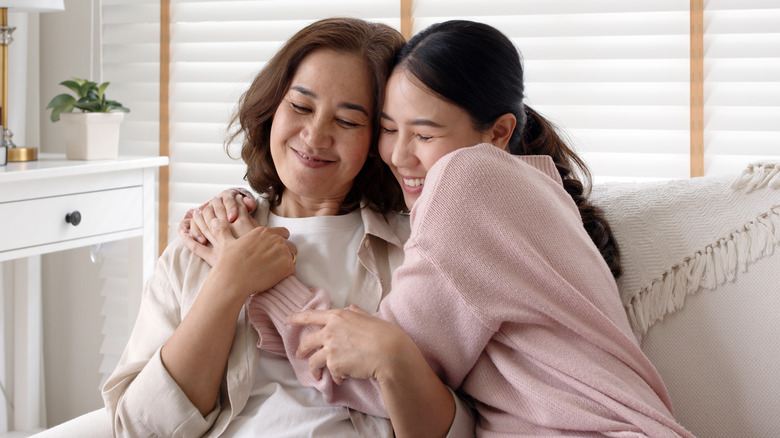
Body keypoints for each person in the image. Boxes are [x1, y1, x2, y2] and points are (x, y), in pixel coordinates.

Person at [187, 20, 695, 436]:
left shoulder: (466, 180)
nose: (399, 155)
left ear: (498, 133)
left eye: (424, 134)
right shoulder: (528, 188)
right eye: (387, 129)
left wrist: (252, 273)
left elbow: (375, 375)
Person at [102, 17, 474, 438]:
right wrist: (228, 282)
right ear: (272, 107)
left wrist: (394, 359)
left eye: (348, 121)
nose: (314, 136)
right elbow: (138, 429)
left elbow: (461, 427)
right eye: (300, 107)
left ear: (377, 141)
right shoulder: (204, 240)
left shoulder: (419, 252)